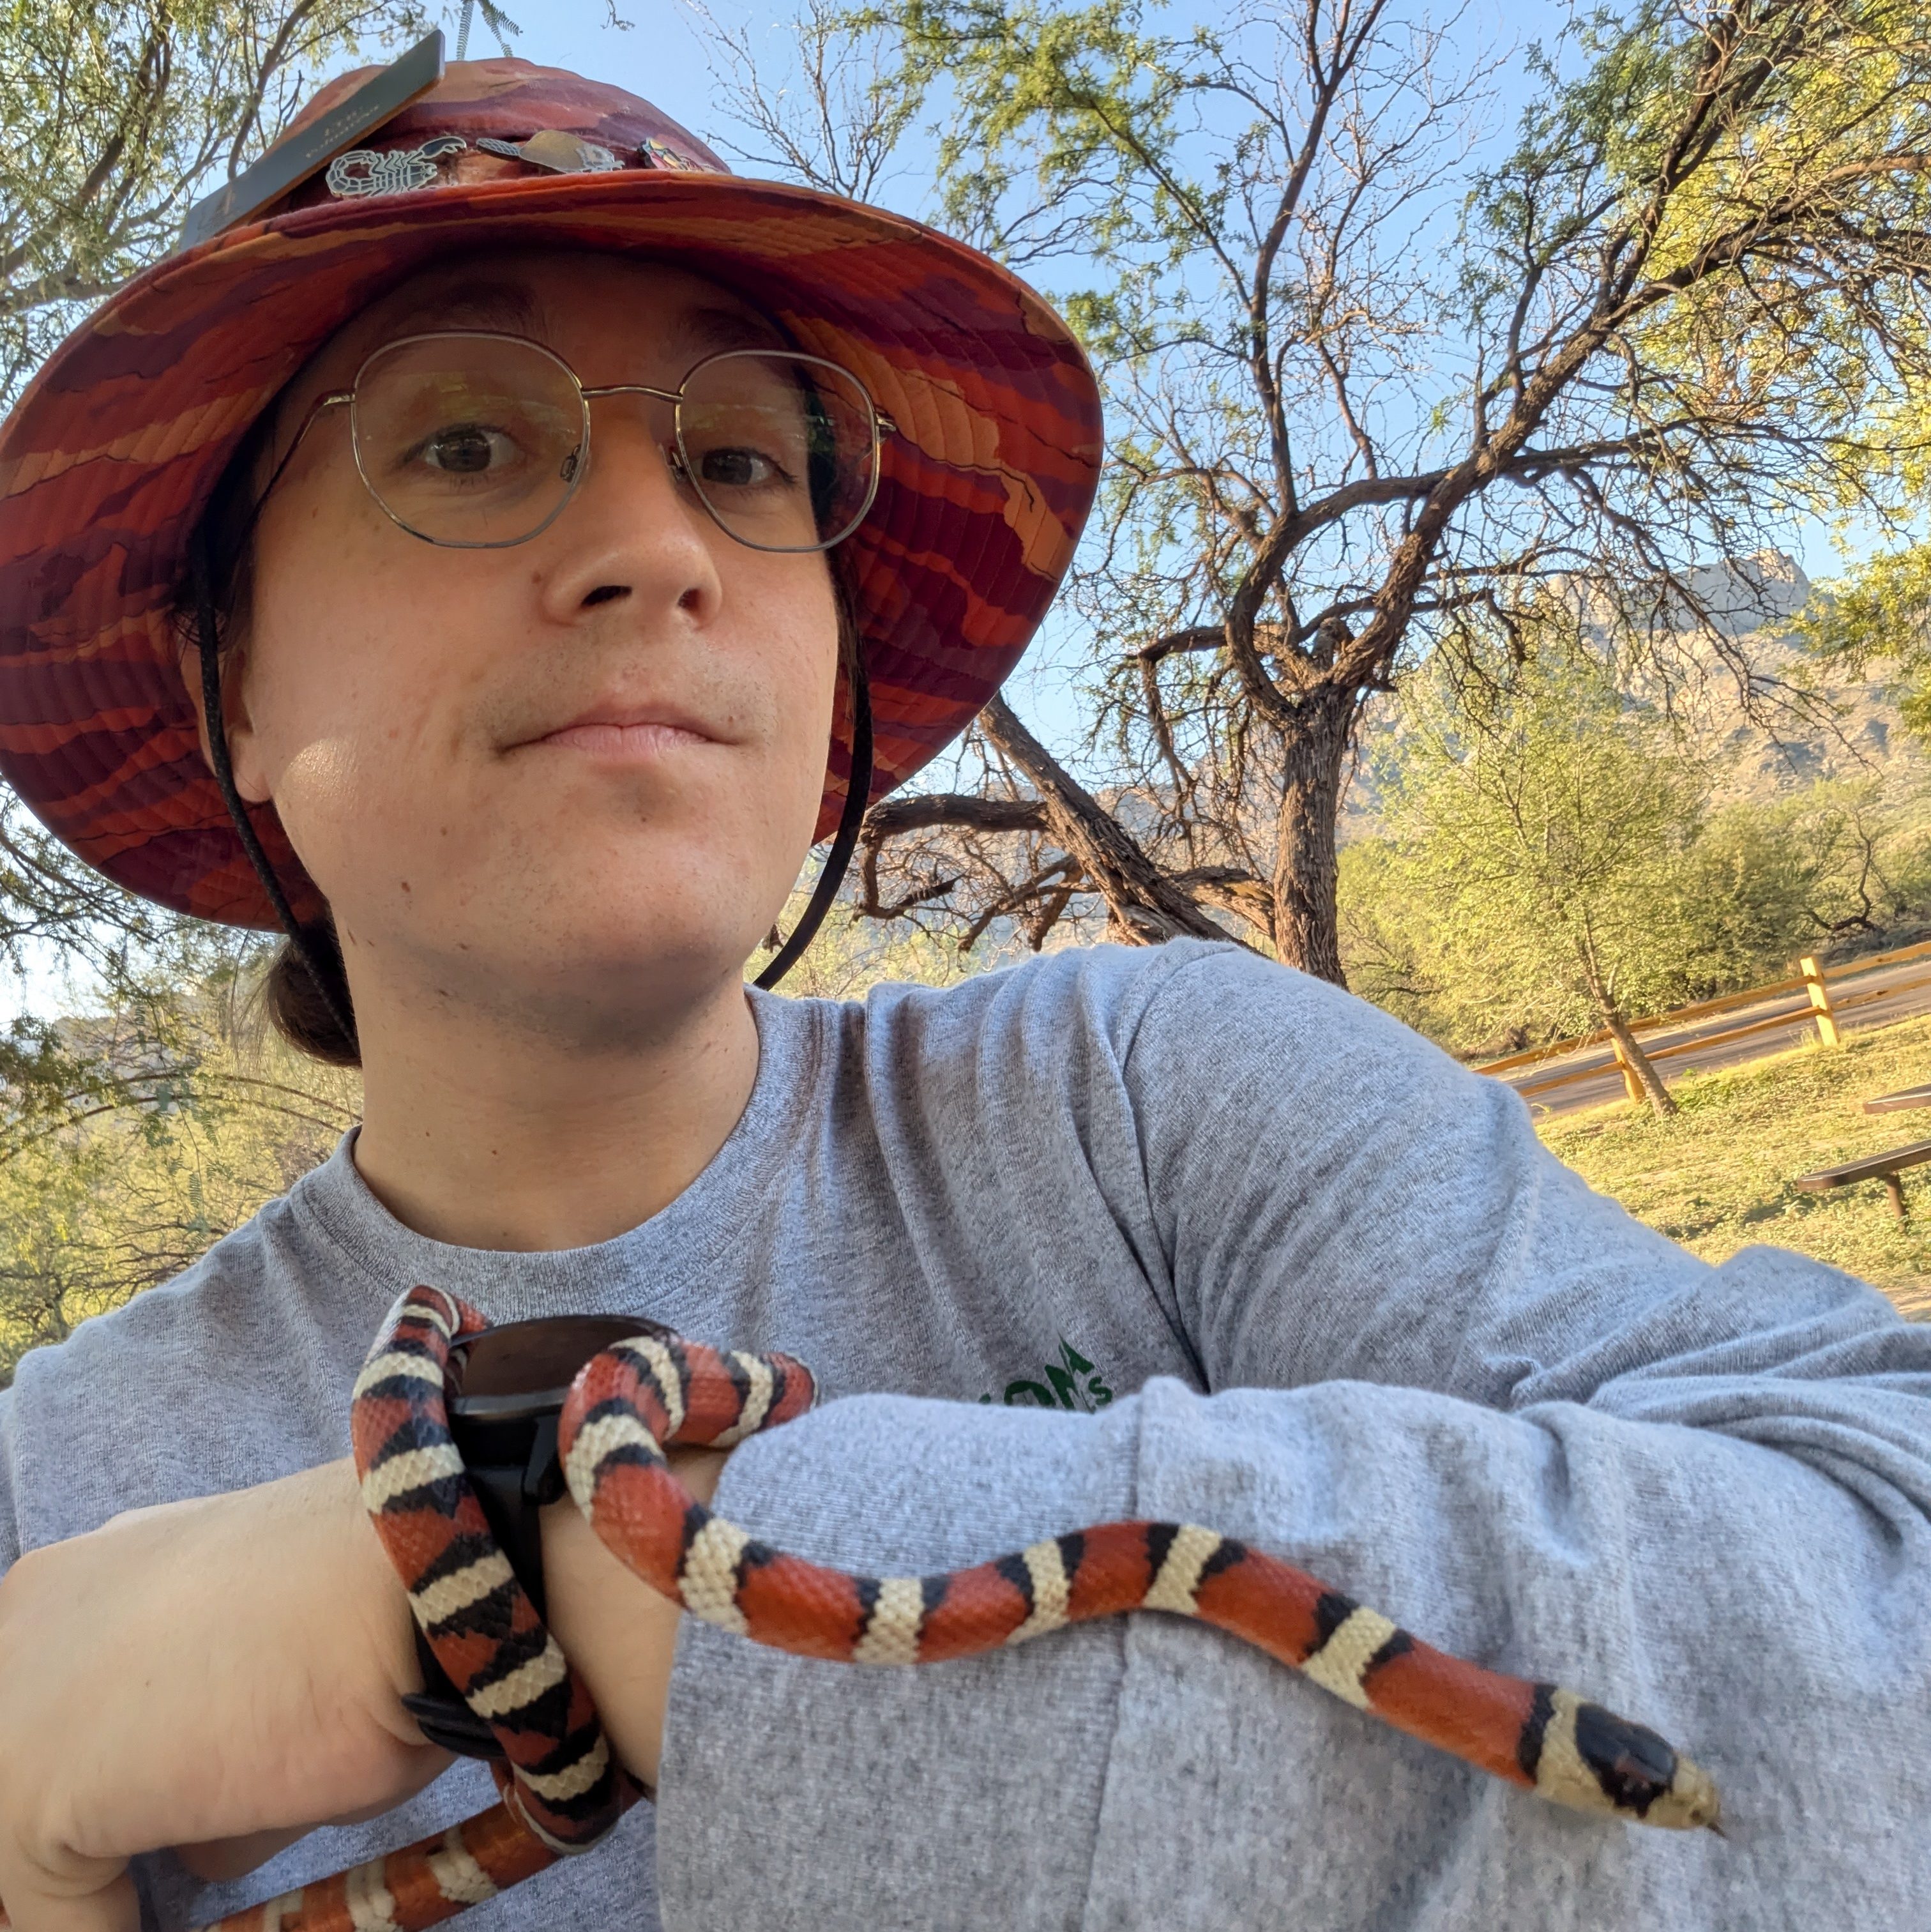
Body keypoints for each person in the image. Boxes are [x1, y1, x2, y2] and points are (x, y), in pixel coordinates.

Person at [0, 46, 1926, 1932]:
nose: (659, 544)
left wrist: (536, 1563)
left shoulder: (1154, 1090)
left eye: (745, 459)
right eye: (466, 439)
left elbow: (1882, 1598)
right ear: (229, 682)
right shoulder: (51, 1485)